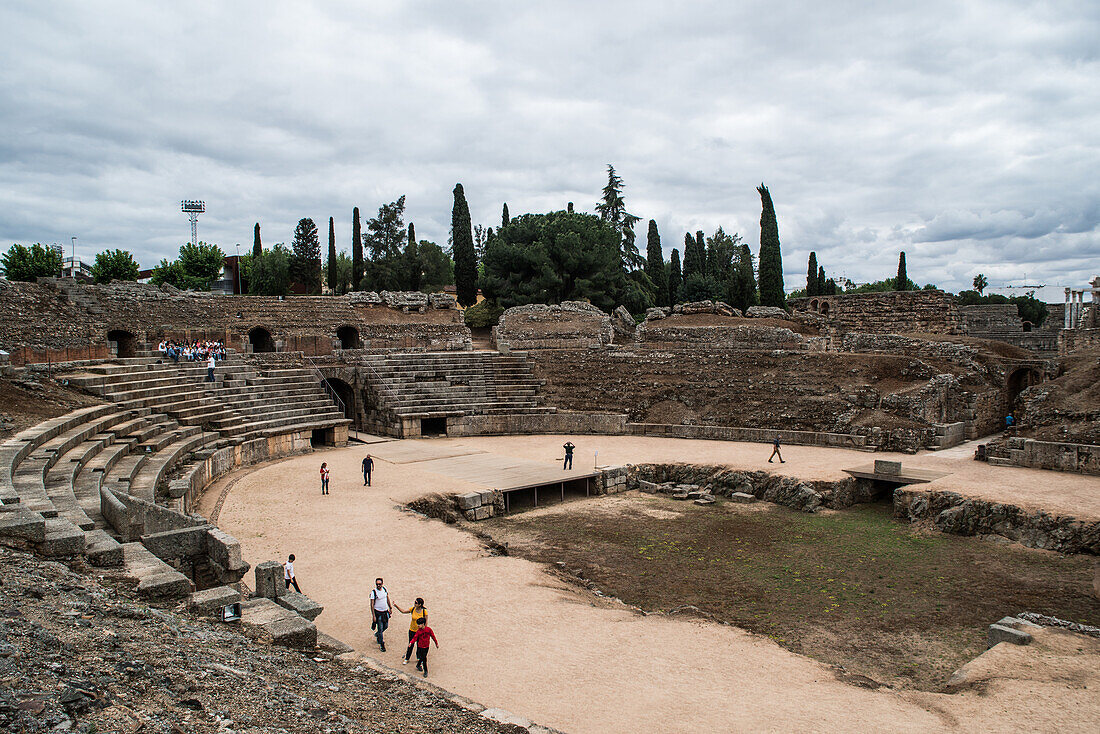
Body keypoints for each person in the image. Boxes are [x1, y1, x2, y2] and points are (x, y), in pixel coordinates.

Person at [395, 597, 427, 665]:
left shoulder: (424, 612)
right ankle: (407, 658)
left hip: (420, 631)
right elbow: (403, 611)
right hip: (412, 630)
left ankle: (418, 657)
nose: (414, 603)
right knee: (410, 644)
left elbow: (426, 622)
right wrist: (396, 606)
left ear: (420, 604)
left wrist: (424, 631)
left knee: (419, 645)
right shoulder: (413, 609)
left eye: (416, 603)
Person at [370, 577, 393, 651]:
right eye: (377, 584)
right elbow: (372, 604)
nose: (378, 585)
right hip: (378, 613)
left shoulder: (384, 590)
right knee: (380, 628)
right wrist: (373, 616)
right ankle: (381, 644)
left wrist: (390, 607)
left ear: (382, 584)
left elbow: (387, 598)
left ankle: (378, 635)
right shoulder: (374, 592)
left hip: (385, 612)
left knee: (386, 626)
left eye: (379, 584)